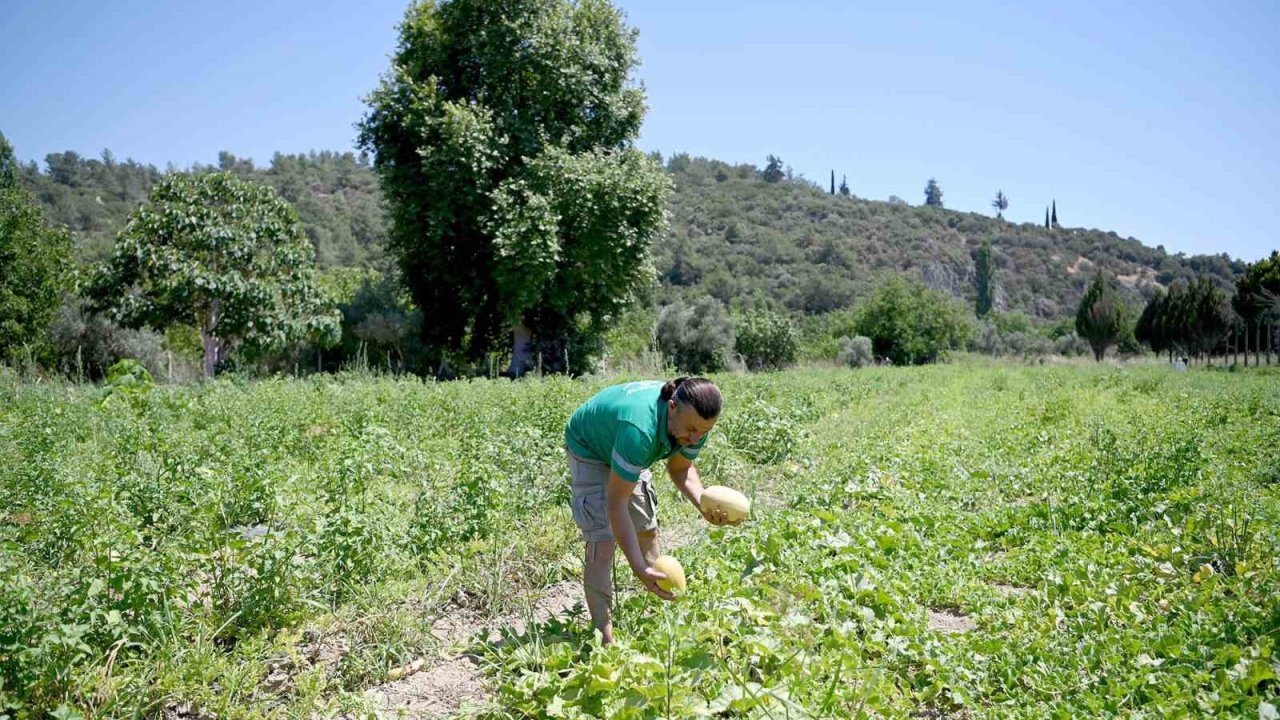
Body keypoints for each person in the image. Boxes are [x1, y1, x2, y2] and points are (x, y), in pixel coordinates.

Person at [563, 376, 736, 644]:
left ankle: (664, 615)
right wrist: (637, 568)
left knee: (647, 528)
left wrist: (705, 505)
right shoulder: (639, 431)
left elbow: (680, 469)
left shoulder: (696, 423)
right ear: (672, 407)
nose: (695, 438)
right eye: (691, 429)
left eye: (703, 432)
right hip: (590, 447)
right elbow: (616, 503)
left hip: (626, 443)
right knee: (603, 544)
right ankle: (604, 640)